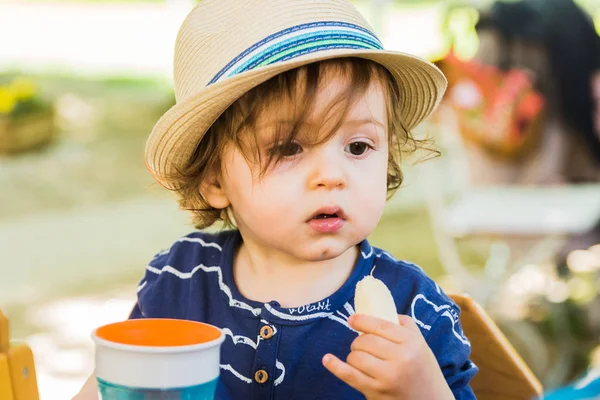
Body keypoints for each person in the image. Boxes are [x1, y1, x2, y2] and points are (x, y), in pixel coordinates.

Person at [74, 0, 477, 398]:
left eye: (357, 146)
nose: (332, 176)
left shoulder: (417, 309)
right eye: (288, 148)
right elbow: (109, 387)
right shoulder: (179, 283)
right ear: (214, 180)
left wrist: (424, 391)